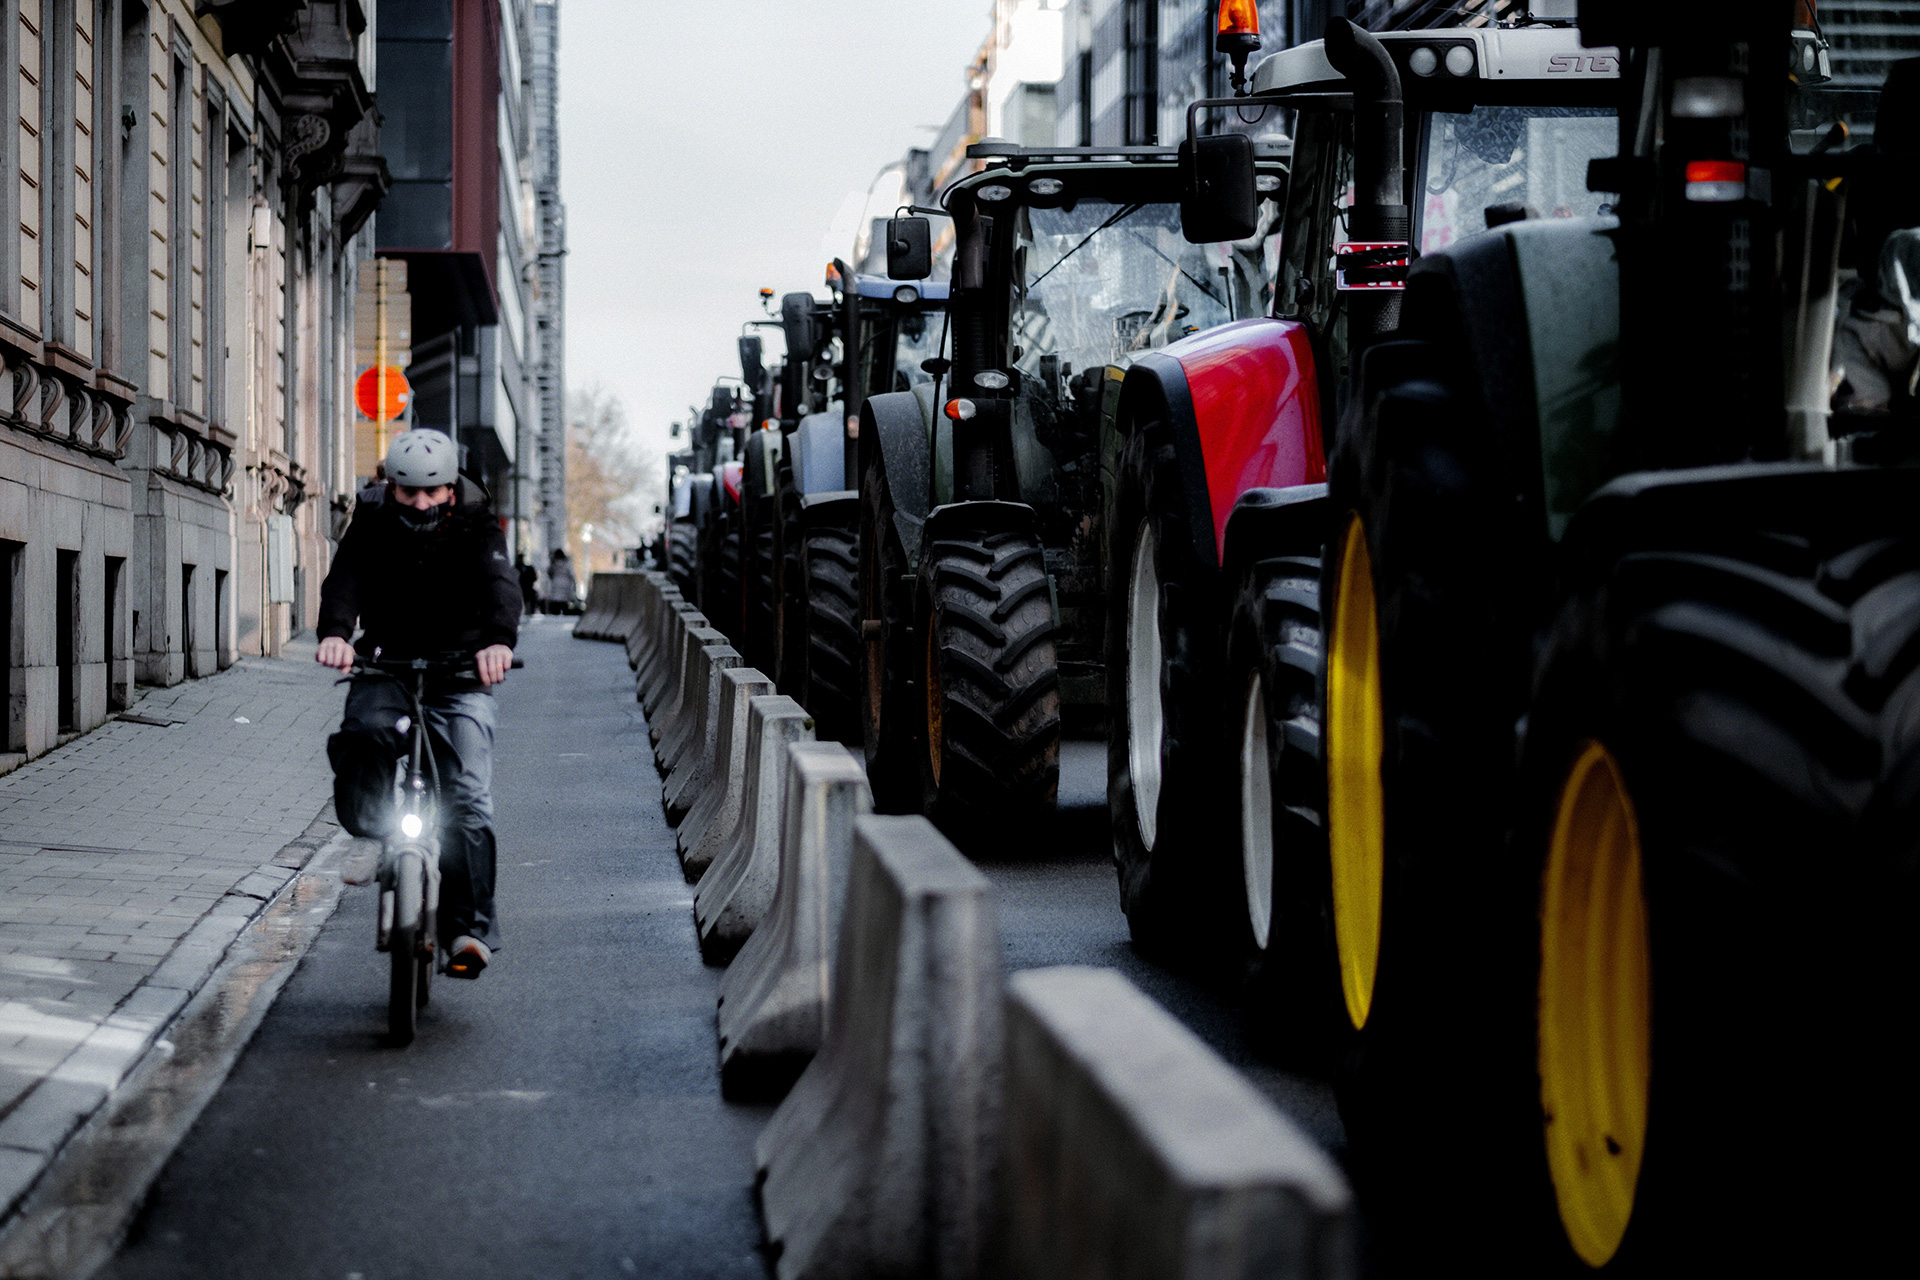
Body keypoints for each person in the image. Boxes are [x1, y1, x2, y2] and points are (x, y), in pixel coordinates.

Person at [315, 429, 520, 978]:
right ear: (392, 486)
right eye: (410, 493)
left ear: (452, 489)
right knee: (364, 734)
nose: (422, 504)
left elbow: (500, 582)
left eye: (433, 493)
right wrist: (335, 632)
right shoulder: (373, 518)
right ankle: (369, 832)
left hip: (461, 670)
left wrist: (499, 640)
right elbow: (346, 579)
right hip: (388, 662)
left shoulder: (478, 523)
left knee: (469, 797)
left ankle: (469, 931)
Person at [543, 547, 576, 615]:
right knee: (564, 604)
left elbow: (549, 573)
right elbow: (571, 575)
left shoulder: (553, 564)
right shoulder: (567, 563)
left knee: (556, 606)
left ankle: (556, 613)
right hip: (566, 584)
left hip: (555, 584)